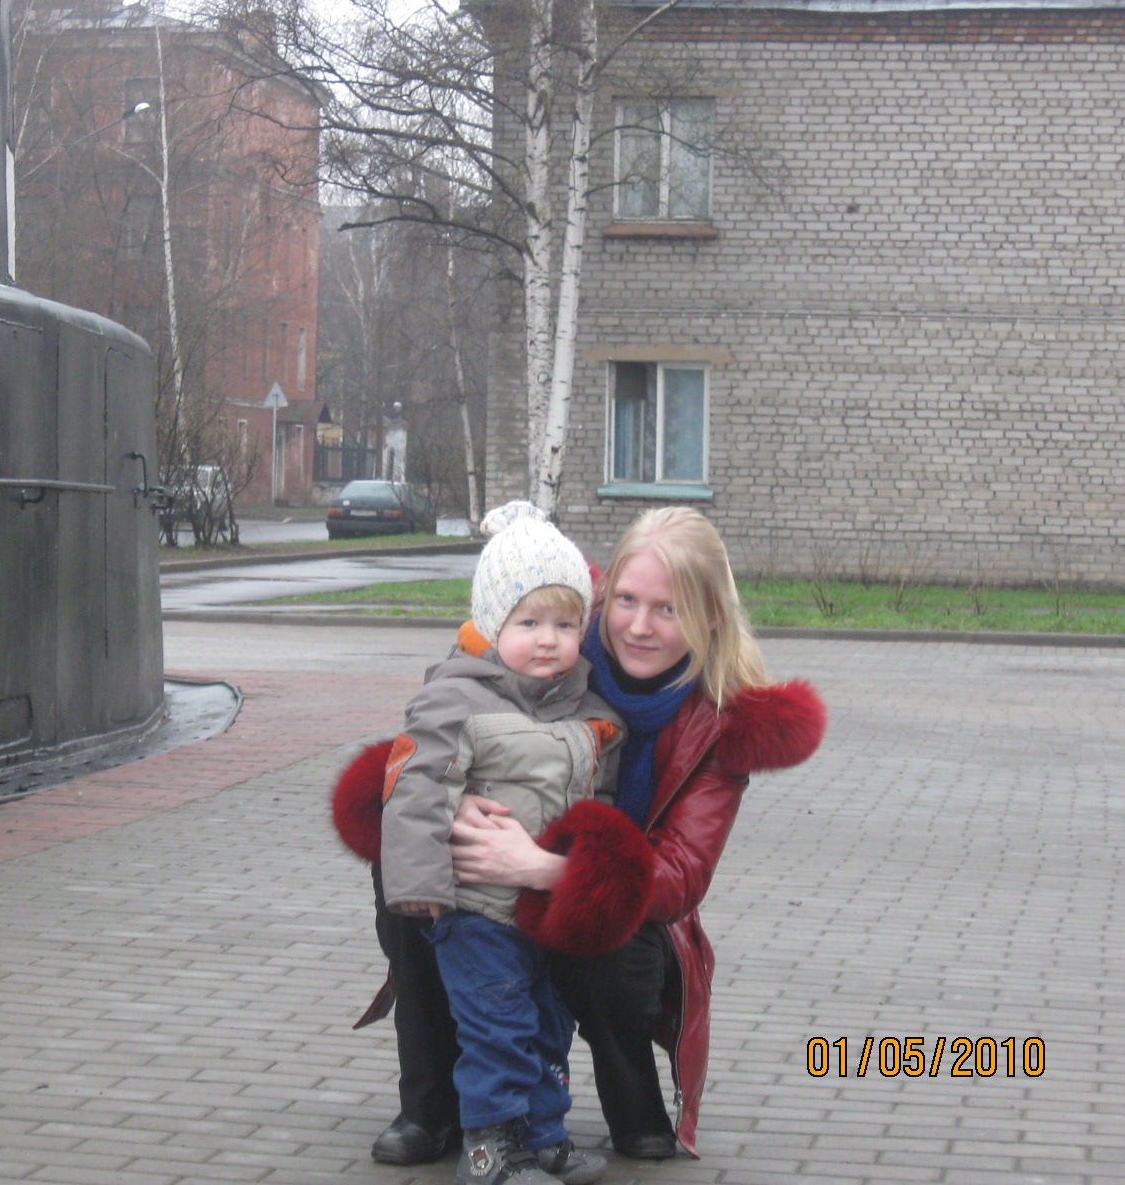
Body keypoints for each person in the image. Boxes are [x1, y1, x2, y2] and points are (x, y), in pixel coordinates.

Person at [333, 506, 825, 1166]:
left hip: (621, 899)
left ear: (709, 617)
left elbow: (679, 876)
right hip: (497, 849)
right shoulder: (554, 626)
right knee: (413, 865)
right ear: (603, 595)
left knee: (607, 939)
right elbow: (451, 712)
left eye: (669, 609)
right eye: (627, 600)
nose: (639, 626)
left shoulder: (721, 722)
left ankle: (624, 1105)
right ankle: (429, 1105)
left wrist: (546, 869)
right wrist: (457, 805)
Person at [379, 501, 625, 1185]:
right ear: (492, 623)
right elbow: (416, 785)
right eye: (529, 623)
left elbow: (598, 807)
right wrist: (421, 886)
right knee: (497, 1028)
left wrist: (578, 872)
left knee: (548, 1024)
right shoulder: (459, 700)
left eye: (565, 625)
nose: (548, 640)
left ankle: (543, 1136)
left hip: (543, 915)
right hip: (477, 912)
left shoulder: (589, 716)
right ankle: (488, 1151)